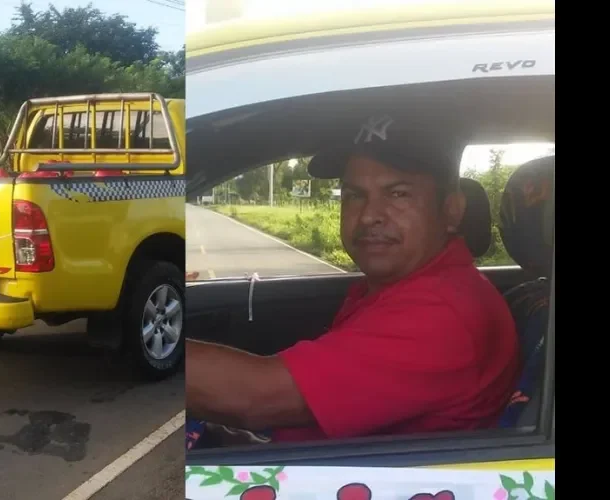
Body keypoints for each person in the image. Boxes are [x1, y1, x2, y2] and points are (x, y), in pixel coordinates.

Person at [186, 113, 520, 443]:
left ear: (451, 211)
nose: (369, 215)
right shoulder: (400, 287)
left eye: (398, 193)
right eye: (354, 195)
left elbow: (255, 398)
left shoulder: (444, 312)